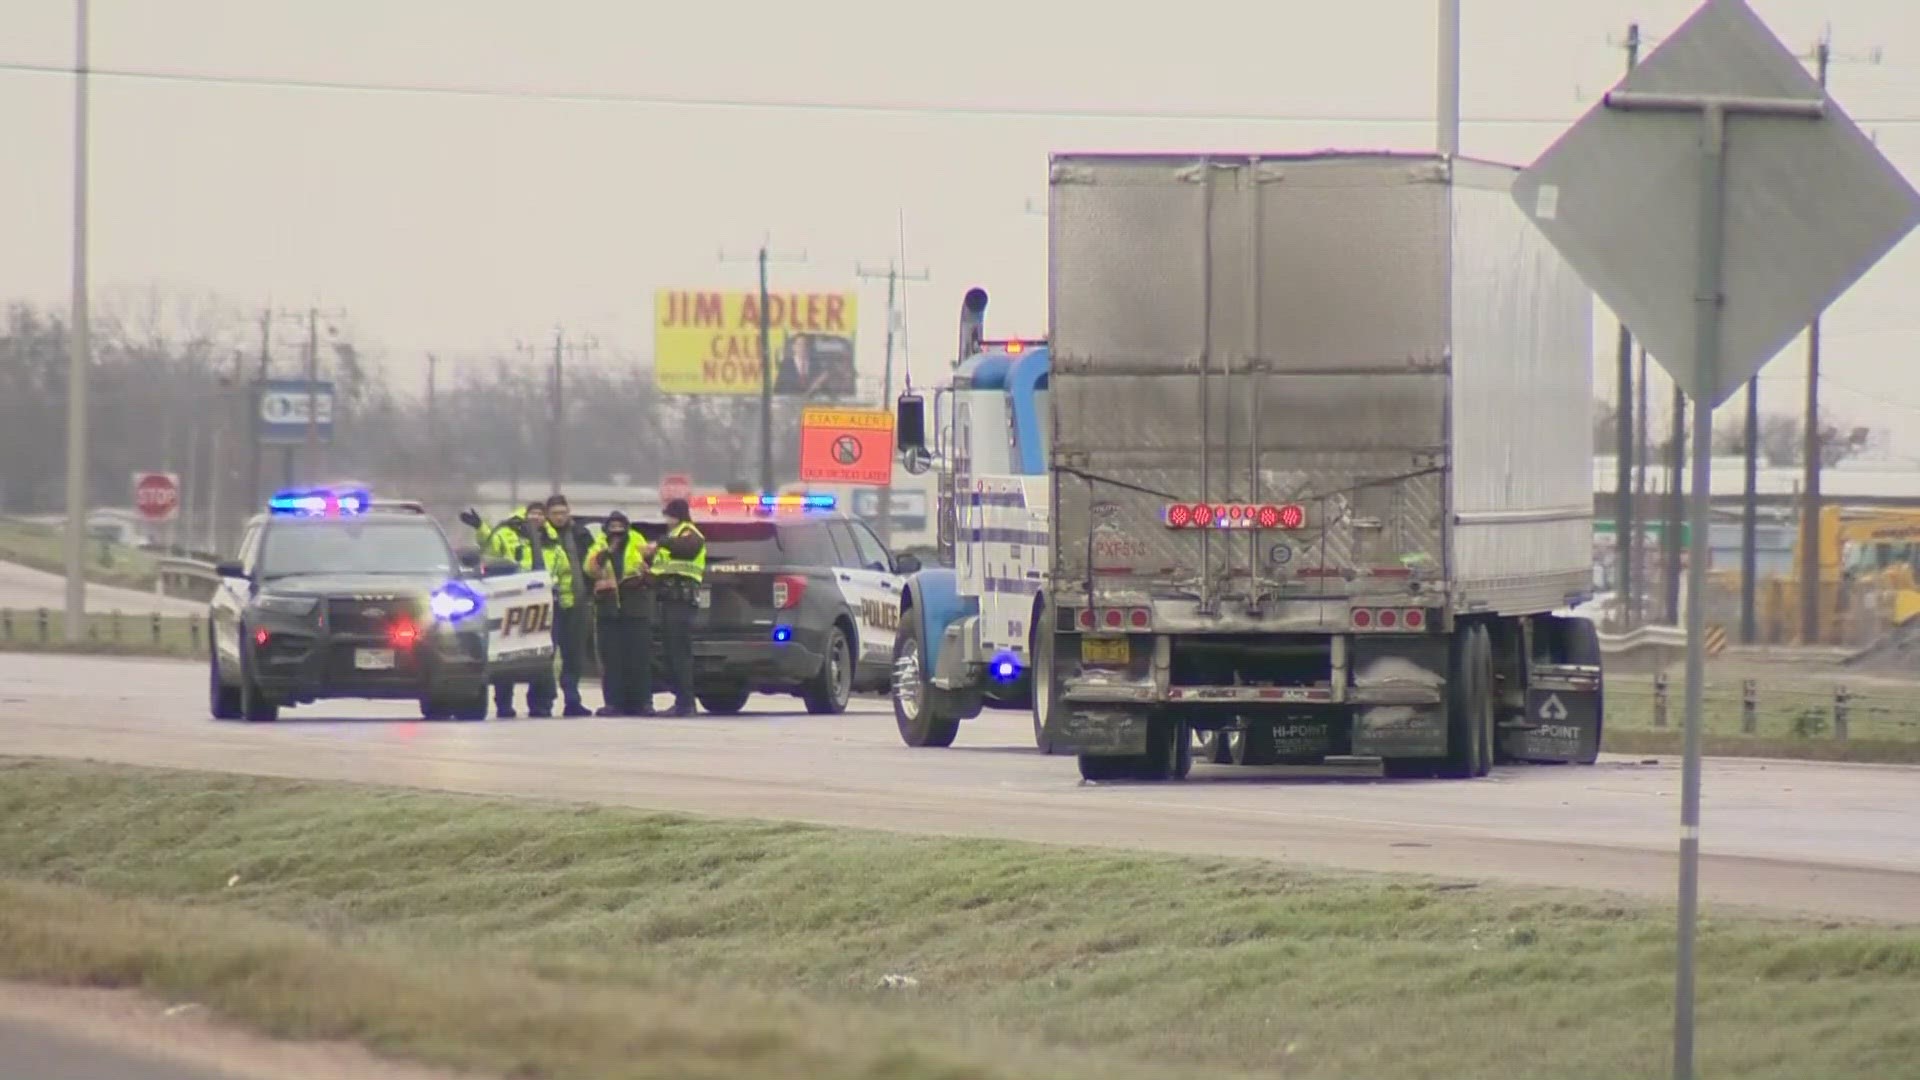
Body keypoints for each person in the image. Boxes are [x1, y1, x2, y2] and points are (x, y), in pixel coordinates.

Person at [458, 501, 556, 718]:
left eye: (541, 514)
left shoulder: (552, 539)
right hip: (511, 598)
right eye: (534, 513)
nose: (537, 518)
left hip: (542, 600)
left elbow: (563, 567)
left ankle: (541, 704)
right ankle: (504, 704)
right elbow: (490, 550)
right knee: (507, 652)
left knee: (543, 654)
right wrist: (481, 528)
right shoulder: (507, 533)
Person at [584, 509, 655, 716]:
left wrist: (647, 569)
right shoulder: (599, 544)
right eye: (612, 528)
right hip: (609, 610)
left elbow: (650, 564)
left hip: (636, 609)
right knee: (612, 660)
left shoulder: (637, 541)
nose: (616, 532)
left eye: (620, 527)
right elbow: (589, 568)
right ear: (606, 529)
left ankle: (642, 703)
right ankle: (613, 703)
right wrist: (606, 553)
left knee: (639, 660)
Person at [646, 496, 707, 716]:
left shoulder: (689, 532)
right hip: (669, 600)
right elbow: (662, 570)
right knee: (672, 653)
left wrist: (659, 543)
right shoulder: (673, 535)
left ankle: (686, 703)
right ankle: (682, 700)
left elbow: (688, 549)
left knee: (680, 653)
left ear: (676, 515)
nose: (667, 519)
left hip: (682, 601)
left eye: (669, 515)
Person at [542, 493, 596, 717]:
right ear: (548, 515)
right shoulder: (541, 535)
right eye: (555, 513)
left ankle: (572, 700)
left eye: (563, 513)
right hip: (549, 604)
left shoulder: (581, 535)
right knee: (547, 654)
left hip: (576, 601)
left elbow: (592, 563)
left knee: (574, 654)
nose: (560, 517)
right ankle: (542, 703)